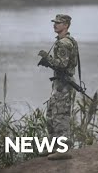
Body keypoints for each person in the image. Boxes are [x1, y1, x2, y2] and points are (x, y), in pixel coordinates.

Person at [38, 14, 79, 160]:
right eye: (54, 22)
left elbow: (62, 65)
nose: (55, 25)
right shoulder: (64, 41)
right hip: (59, 83)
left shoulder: (64, 43)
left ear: (66, 25)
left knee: (60, 115)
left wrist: (47, 58)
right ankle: (53, 147)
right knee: (51, 114)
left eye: (59, 23)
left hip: (64, 84)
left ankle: (63, 149)